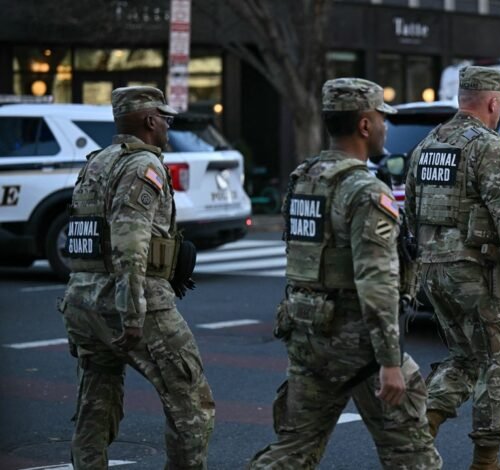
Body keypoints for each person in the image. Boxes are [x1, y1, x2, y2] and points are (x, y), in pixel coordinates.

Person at [249, 78, 441, 470]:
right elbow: (377, 281)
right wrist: (390, 361)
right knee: (412, 456)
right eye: (382, 119)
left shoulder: (303, 179)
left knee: (294, 450)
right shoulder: (365, 192)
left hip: (308, 334)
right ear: (365, 125)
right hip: (359, 346)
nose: (386, 128)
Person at [60, 86, 214, 469]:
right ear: (150, 121)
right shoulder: (143, 166)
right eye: (166, 119)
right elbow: (130, 244)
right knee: (191, 402)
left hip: (82, 300)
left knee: (95, 405)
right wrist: (131, 312)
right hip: (133, 300)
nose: (167, 126)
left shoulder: (96, 162)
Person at [405, 66, 500, 470]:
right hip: (473, 272)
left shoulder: (427, 145)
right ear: (493, 101)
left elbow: (410, 216)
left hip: (433, 272)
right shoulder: (489, 147)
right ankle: (486, 461)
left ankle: (419, 433)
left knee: (466, 359)